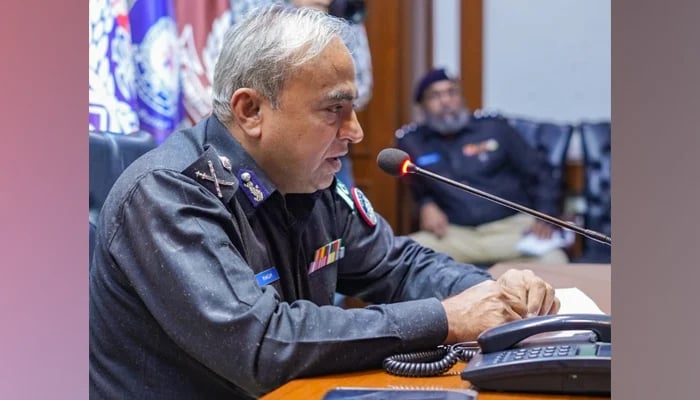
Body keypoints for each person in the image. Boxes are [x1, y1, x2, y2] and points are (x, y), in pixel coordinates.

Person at [89, 6, 560, 399]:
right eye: (334, 109)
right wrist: (447, 318)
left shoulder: (308, 182)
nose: (355, 132)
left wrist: (496, 296)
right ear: (251, 110)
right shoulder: (169, 193)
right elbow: (262, 344)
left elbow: (397, 266)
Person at [396, 68, 569, 265]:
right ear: (422, 106)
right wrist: (426, 204)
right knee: (405, 258)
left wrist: (546, 216)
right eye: (435, 96)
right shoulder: (413, 141)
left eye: (451, 93)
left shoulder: (494, 128)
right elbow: (417, 186)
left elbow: (541, 173)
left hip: (511, 230)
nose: (445, 101)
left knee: (554, 260)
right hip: (456, 234)